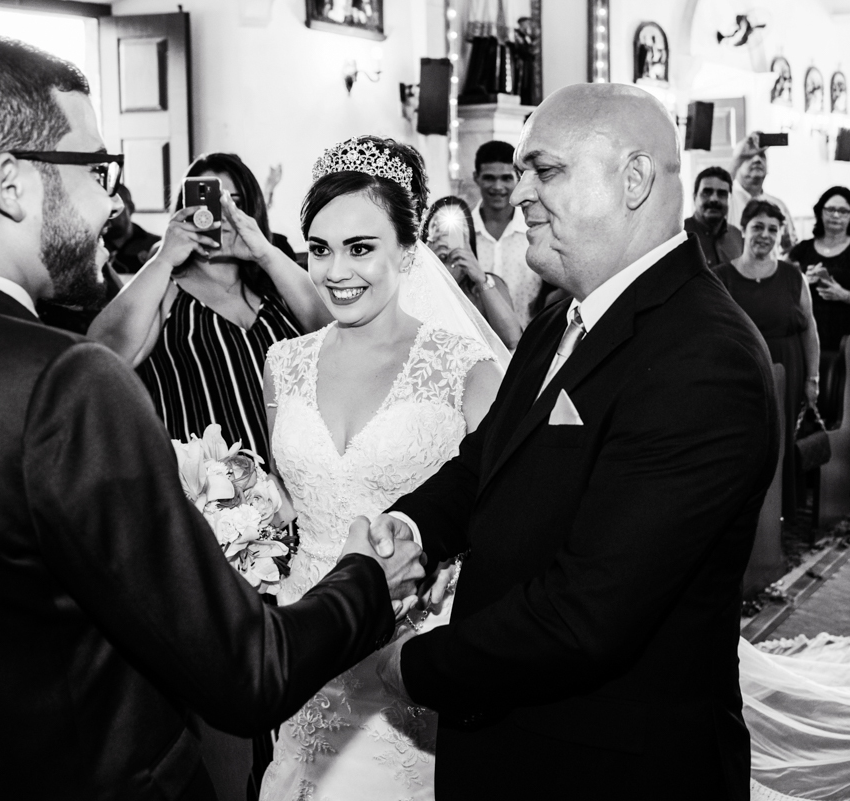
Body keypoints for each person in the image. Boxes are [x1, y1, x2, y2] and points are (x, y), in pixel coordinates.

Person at [0, 34, 425, 799]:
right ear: (11, 184)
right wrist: (368, 582)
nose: (115, 204)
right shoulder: (62, 386)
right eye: (96, 170)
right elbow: (246, 668)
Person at [368, 83, 780, 799]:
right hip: (515, 742)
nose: (520, 191)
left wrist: (414, 665)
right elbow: (486, 461)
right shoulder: (562, 318)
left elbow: (590, 613)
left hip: (610, 765)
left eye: (545, 169)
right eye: (521, 171)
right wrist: (410, 527)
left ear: (634, 179)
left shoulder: (704, 357)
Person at [258, 136, 506, 801]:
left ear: (407, 248)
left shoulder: (466, 369)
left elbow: (499, 520)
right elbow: (289, 503)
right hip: (305, 642)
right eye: (319, 247)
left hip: (411, 655)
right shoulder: (283, 363)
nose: (337, 270)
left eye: (361, 247)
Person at [88, 152, 330, 462]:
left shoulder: (277, 286)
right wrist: (164, 257)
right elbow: (103, 356)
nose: (223, 216)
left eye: (236, 203)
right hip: (214, 496)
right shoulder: (165, 292)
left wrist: (264, 253)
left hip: (302, 483)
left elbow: (336, 332)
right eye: (211, 204)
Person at [716, 200, 820, 521]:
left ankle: (780, 514)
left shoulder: (792, 276)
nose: (765, 235)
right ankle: (745, 517)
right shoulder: (722, 277)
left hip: (787, 370)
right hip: (740, 377)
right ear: (743, 230)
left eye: (773, 229)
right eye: (757, 227)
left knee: (783, 441)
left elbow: (810, 330)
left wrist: (812, 379)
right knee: (746, 445)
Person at [789, 186, 850, 420]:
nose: (836, 215)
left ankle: (848, 445)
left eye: (843, 211)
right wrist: (801, 281)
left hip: (846, 332)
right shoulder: (802, 250)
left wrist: (844, 294)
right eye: (830, 209)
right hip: (808, 331)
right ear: (820, 212)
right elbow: (781, 285)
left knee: (846, 392)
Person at [423, 196, 522, 350]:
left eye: (456, 228)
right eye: (440, 228)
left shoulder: (487, 282)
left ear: (468, 235)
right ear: (429, 235)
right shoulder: (415, 281)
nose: (448, 234)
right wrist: (427, 263)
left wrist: (481, 279)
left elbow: (512, 339)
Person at [470, 140, 542, 325]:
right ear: (476, 177)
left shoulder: (535, 229)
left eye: (506, 178)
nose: (497, 186)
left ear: (517, 178)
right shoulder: (463, 233)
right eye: (489, 178)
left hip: (530, 342)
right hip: (476, 345)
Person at [729, 132, 797, 253]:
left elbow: (790, 249)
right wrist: (738, 157)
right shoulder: (727, 201)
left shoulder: (778, 205)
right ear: (738, 163)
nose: (757, 159)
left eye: (762, 155)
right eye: (749, 156)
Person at [684, 165, 744, 267]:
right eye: (707, 192)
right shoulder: (679, 235)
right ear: (694, 197)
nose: (714, 199)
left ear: (730, 200)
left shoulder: (736, 236)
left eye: (722, 194)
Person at [103, 182, 161, 275]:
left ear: (130, 208)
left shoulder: (156, 245)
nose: (107, 214)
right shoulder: (91, 247)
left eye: (113, 208)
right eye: (102, 208)